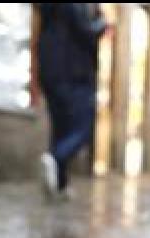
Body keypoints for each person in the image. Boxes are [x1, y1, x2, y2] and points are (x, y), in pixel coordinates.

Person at [36, 3, 109, 200]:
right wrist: (102, 24)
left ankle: (59, 184)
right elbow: (86, 31)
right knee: (83, 128)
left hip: (49, 70)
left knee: (60, 128)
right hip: (74, 73)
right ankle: (56, 158)